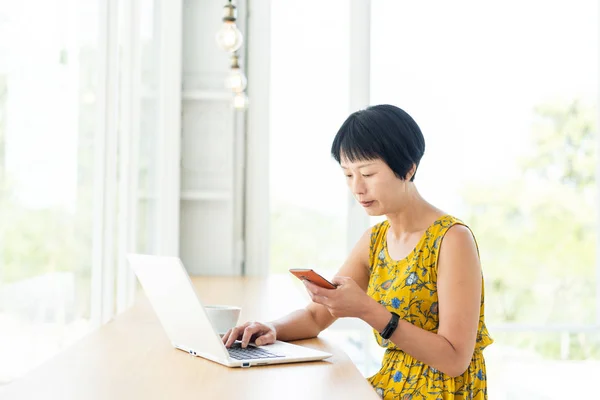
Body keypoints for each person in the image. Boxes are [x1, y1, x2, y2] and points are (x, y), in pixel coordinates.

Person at [222, 104, 493, 399]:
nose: (357, 187)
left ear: (408, 169)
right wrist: (269, 328)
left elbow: (455, 360)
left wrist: (367, 309)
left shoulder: (452, 239)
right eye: (348, 175)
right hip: (390, 387)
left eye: (368, 173)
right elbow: (316, 317)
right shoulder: (375, 240)